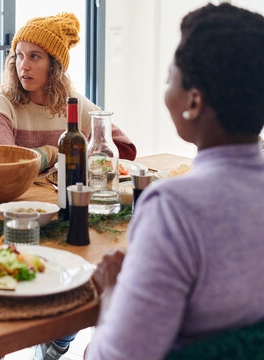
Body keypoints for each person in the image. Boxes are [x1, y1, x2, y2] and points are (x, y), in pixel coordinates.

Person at [86, 3, 264, 359]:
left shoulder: (174, 208)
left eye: (170, 79)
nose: (166, 90)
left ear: (193, 102)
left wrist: (110, 295)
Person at [0, 13, 136, 173]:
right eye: (20, 55)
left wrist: (81, 157)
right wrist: (51, 154)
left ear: (54, 66)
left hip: (63, 193)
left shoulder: (74, 104)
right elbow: (4, 163)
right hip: (17, 196)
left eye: (34, 56)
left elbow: (125, 149)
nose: (23, 66)